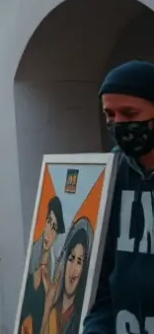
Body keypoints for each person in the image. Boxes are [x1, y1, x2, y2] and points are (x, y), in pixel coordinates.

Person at [82, 60, 154, 334]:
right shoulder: (110, 173)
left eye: (129, 112)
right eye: (110, 114)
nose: (119, 123)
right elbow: (99, 276)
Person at [20, 197, 66, 334]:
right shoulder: (33, 255)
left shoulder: (56, 271)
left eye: (54, 227)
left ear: (57, 235)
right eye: (49, 222)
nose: (49, 231)